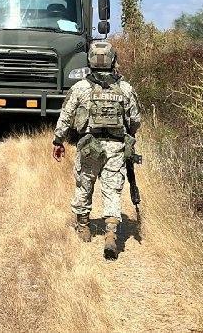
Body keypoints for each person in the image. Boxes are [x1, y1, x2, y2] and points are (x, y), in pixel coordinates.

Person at [52, 42, 141, 260]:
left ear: (90, 60)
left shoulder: (81, 88)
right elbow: (136, 120)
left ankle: (83, 227)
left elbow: (66, 116)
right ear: (113, 60)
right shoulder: (125, 88)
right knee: (112, 190)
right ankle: (111, 234)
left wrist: (58, 140)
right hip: (115, 147)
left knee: (85, 184)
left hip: (88, 146)